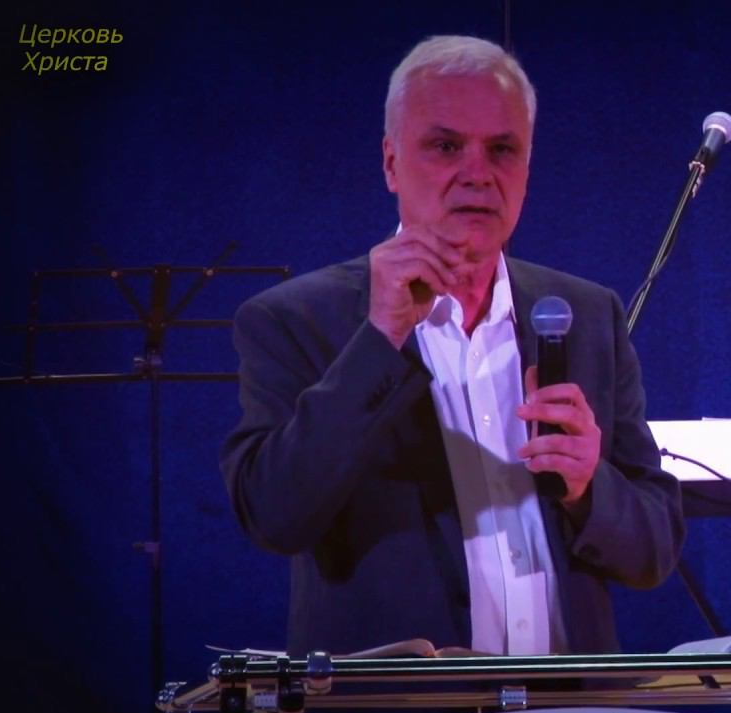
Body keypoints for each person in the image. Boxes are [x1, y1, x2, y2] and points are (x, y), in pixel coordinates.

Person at [220, 35, 684, 660]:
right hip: (402, 702)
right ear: (391, 163)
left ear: (527, 168)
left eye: (502, 150)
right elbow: (275, 516)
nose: (477, 173)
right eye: (445, 146)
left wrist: (586, 486)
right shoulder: (296, 321)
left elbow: (654, 550)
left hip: (569, 701)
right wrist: (380, 338)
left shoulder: (587, 315)